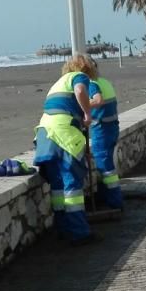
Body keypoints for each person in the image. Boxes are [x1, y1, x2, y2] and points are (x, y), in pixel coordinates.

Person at [33, 54, 100, 245]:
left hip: (45, 134)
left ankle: (62, 229)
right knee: (72, 186)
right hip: (64, 134)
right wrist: (87, 114)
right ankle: (79, 233)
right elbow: (80, 91)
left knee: (57, 187)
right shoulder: (80, 77)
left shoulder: (59, 82)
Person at [88, 62, 122, 210]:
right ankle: (104, 196)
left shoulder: (92, 84)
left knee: (104, 166)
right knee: (107, 164)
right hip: (112, 126)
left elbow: (95, 101)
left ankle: (114, 201)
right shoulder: (105, 82)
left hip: (101, 128)